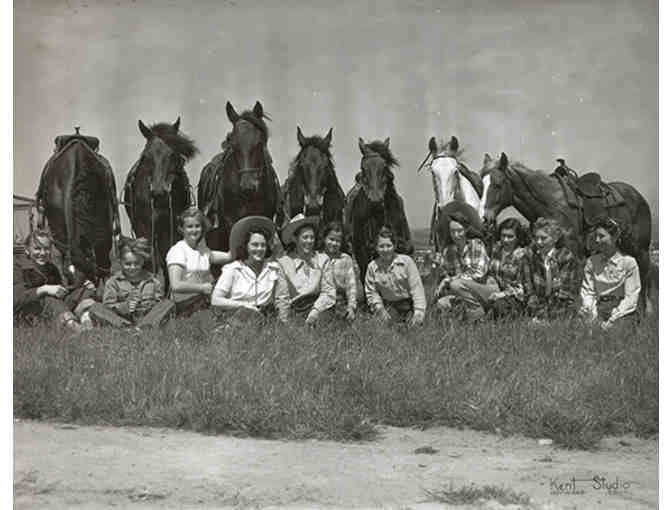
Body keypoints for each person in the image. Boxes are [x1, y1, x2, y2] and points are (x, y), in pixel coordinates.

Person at [13, 229, 96, 334]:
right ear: (27, 250)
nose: (43, 253)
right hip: (28, 312)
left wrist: (80, 287)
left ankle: (87, 320)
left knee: (83, 291)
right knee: (49, 299)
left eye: (46, 249)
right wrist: (43, 289)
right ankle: (74, 327)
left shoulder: (51, 267)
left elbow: (61, 293)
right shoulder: (17, 267)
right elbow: (15, 299)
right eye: (37, 249)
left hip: (53, 309)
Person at [88, 238, 175, 329]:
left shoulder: (153, 281)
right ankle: (125, 326)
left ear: (142, 261)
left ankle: (145, 326)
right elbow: (108, 306)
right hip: (122, 317)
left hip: (147, 316)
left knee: (168, 303)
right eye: (128, 264)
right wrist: (124, 306)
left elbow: (159, 303)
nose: (132, 267)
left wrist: (147, 305)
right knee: (95, 308)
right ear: (120, 262)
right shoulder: (113, 282)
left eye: (136, 263)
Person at [211, 216, 280, 324]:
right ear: (246, 246)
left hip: (266, 319)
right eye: (254, 245)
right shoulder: (233, 269)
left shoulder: (273, 268)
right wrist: (243, 305)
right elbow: (215, 300)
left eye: (263, 245)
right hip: (238, 317)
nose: (259, 249)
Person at [166, 206, 232, 316]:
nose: (194, 230)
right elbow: (176, 285)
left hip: (205, 300)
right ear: (182, 229)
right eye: (189, 226)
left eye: (197, 226)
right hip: (186, 306)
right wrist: (202, 288)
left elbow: (229, 257)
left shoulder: (202, 251)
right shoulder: (178, 251)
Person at [580, 217, 641, 330]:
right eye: (596, 236)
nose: (597, 240)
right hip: (598, 308)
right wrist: (591, 313)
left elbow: (631, 297)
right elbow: (588, 292)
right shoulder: (592, 262)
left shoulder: (628, 262)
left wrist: (613, 318)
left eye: (601, 236)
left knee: (618, 331)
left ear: (615, 237)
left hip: (622, 311)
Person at [275, 214, 336, 324]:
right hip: (297, 308)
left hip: (320, 306)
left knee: (326, 319)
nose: (309, 241)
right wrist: (284, 321)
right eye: (305, 237)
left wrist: (315, 310)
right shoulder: (284, 263)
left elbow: (328, 291)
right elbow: (282, 296)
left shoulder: (323, 259)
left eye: (312, 237)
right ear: (295, 239)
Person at [434, 209, 492, 320]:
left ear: (466, 230)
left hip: (481, 289)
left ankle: (478, 314)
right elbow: (444, 274)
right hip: (459, 293)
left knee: (456, 284)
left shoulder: (476, 244)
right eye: (452, 231)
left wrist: (449, 280)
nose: (456, 235)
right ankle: (464, 313)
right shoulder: (448, 251)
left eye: (459, 231)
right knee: (441, 304)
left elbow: (478, 274)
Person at [364, 226, 426, 326]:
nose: (385, 250)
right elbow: (372, 292)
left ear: (394, 245)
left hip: (408, 304)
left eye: (389, 246)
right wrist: (379, 309)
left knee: (413, 326)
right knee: (384, 326)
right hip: (388, 305)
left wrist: (419, 312)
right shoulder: (372, 267)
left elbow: (417, 289)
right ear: (376, 248)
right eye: (381, 246)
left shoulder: (406, 262)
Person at [522, 217, 579, 321]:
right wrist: (536, 309)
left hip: (560, 304)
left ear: (555, 238)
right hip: (537, 304)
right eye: (536, 238)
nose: (539, 242)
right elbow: (528, 286)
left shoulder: (565, 256)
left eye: (543, 238)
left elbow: (564, 290)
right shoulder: (530, 256)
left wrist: (547, 315)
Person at [485, 218, 529, 319]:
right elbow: (491, 272)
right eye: (503, 235)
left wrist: (503, 294)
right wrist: (490, 280)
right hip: (494, 291)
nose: (505, 240)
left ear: (518, 238)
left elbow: (523, 289)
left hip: (514, 298)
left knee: (498, 306)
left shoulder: (522, 256)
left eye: (510, 237)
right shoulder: (496, 250)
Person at [320, 221, 359, 320]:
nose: (334, 243)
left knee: (342, 316)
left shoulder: (345, 259)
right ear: (324, 238)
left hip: (339, 299)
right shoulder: (317, 257)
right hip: (320, 298)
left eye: (338, 241)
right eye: (331, 239)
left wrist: (351, 306)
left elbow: (351, 286)